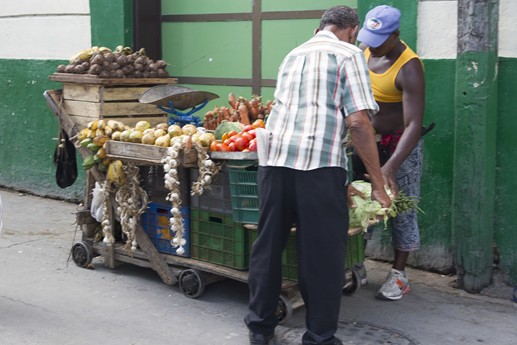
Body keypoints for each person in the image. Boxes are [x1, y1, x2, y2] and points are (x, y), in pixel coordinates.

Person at [244, 6, 392, 345]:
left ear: (320, 27)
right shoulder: (349, 54)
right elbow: (357, 122)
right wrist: (378, 183)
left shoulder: (293, 54)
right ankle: (320, 337)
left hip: (275, 163)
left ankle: (259, 329)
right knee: (322, 254)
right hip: (319, 165)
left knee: (268, 245)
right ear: (352, 30)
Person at [352, 5, 426, 301]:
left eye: (380, 38)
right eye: (369, 36)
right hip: (366, 142)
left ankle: (399, 274)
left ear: (395, 35)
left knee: (401, 208)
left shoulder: (409, 67)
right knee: (361, 206)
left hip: (398, 146)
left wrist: (391, 167)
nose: (372, 43)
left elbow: (414, 125)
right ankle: (355, 264)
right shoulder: (365, 50)